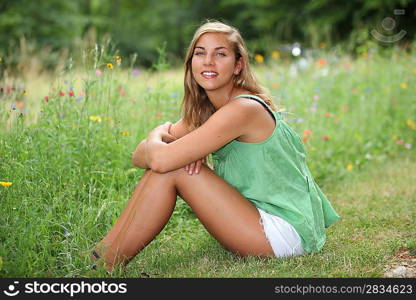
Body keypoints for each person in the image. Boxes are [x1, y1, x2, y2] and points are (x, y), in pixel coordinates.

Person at [90, 20, 340, 273]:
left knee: (173, 168)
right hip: (256, 218)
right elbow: (138, 156)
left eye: (220, 54)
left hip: (283, 233)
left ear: (237, 65)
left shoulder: (244, 109)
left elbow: (160, 160)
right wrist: (163, 146)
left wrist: (157, 135)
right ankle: (99, 257)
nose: (208, 61)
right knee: (169, 166)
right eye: (200, 53)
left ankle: (103, 265)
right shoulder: (208, 110)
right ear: (191, 63)